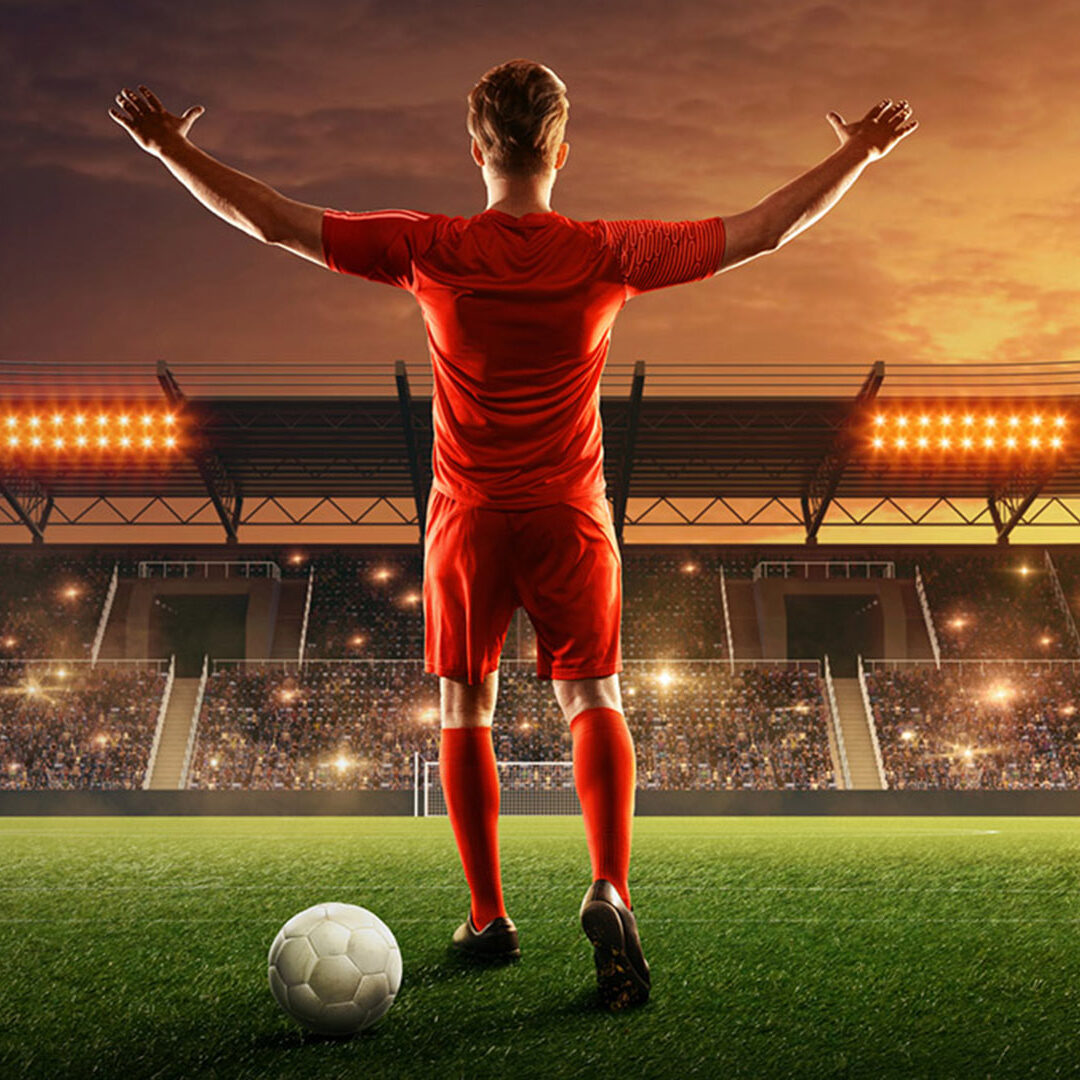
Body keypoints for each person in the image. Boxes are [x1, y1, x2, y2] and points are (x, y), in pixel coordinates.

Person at [109, 60, 917, 1009]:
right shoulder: (609, 251)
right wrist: (858, 152)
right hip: (571, 512)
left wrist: (172, 148)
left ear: (477, 148)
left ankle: (488, 916)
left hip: (467, 514)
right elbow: (763, 231)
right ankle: (610, 885)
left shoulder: (431, 244)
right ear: (562, 152)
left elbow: (274, 220)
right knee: (595, 696)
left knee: (465, 708)